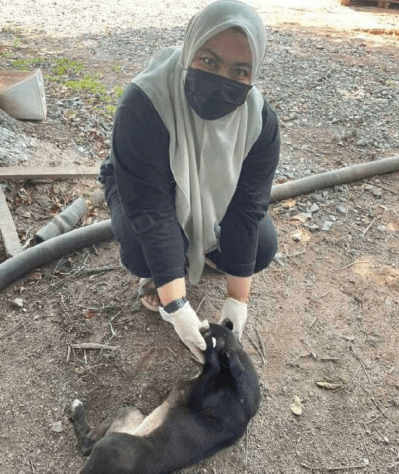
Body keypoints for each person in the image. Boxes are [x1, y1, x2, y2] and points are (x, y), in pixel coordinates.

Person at [98, 0, 280, 360]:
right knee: (141, 246)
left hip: (214, 191)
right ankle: (162, 274)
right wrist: (177, 305)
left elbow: (247, 210)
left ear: (253, 73)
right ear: (190, 50)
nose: (222, 78)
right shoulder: (143, 102)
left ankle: (200, 254)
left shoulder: (260, 124)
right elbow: (151, 209)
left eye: (239, 71)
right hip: (144, 186)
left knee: (261, 246)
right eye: (209, 61)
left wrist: (237, 300)